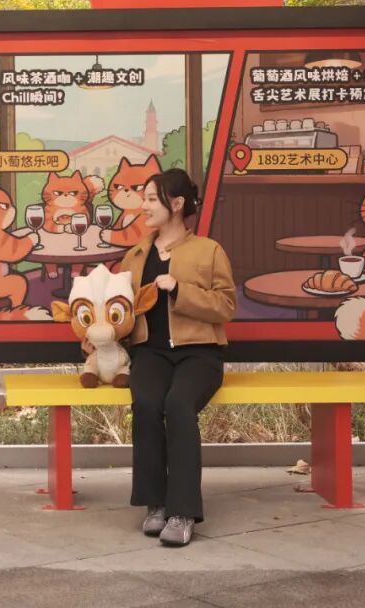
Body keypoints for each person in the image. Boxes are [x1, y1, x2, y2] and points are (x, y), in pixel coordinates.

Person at [116, 168, 236, 547]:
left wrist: (179, 289)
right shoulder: (135, 256)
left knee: (179, 404)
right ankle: (155, 504)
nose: (144, 206)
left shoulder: (208, 250)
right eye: (145, 198)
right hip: (149, 353)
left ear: (178, 204)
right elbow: (122, 311)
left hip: (199, 354)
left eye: (152, 199)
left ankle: (182, 512)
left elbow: (226, 306)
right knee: (147, 403)